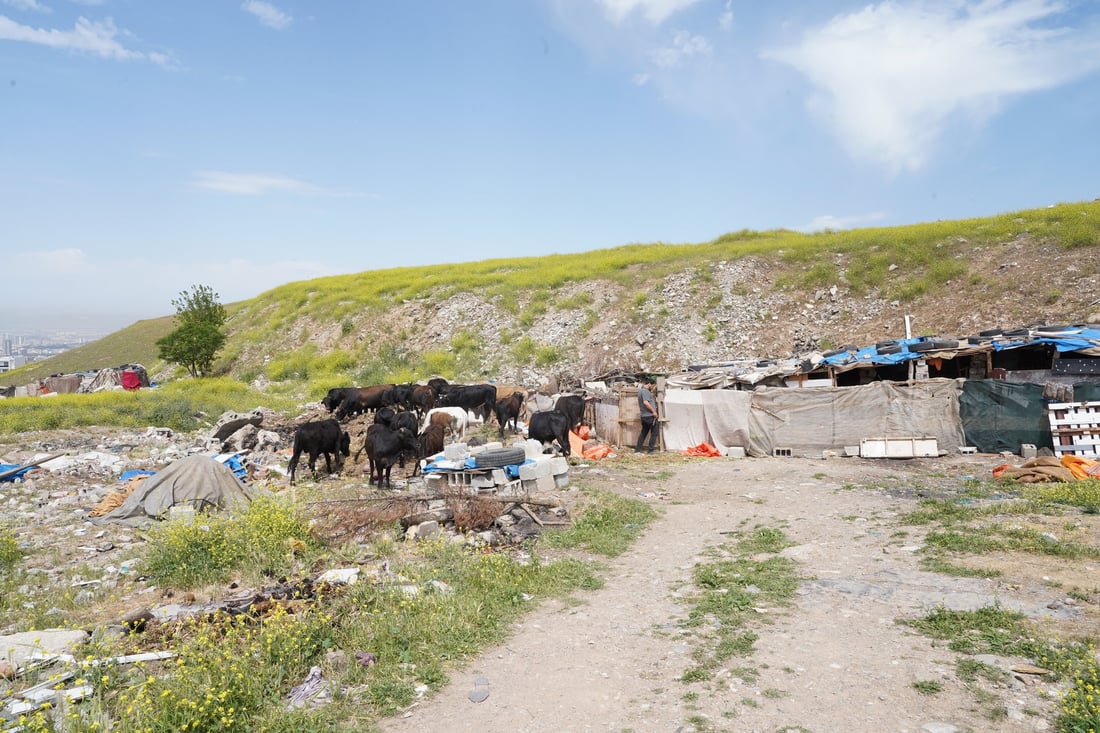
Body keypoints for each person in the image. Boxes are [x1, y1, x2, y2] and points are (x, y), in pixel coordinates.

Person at [636, 379, 660, 453]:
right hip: (649, 416)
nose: (652, 388)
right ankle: (651, 450)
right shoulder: (645, 391)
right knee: (654, 432)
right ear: (649, 384)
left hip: (644, 416)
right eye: (653, 386)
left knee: (643, 433)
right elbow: (646, 403)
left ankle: (637, 450)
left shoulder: (641, 391)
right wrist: (654, 412)